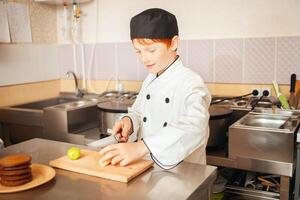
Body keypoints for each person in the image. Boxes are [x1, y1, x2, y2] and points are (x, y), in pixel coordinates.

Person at [99, 8, 211, 169]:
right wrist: (129, 121)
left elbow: (194, 127)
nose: (144, 58)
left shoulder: (191, 82)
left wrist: (141, 147)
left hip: (183, 174)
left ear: (173, 43)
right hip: (149, 167)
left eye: (151, 50)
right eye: (138, 51)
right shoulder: (151, 78)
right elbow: (140, 111)